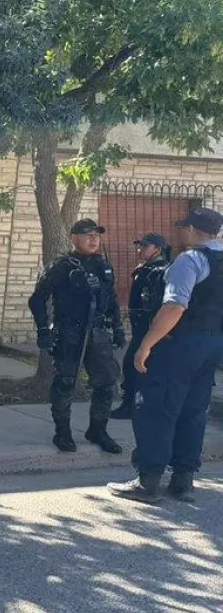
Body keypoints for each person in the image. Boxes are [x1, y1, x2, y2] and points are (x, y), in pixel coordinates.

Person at [111, 208, 223, 504]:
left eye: (182, 227)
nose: (178, 232)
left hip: (179, 344)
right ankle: (183, 481)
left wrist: (146, 344)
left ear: (191, 230)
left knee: (157, 409)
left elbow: (175, 306)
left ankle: (148, 482)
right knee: (193, 411)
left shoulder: (190, 260)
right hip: (212, 346)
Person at [28, 218, 126, 454]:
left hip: (98, 333)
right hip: (70, 332)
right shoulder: (62, 266)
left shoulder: (103, 265)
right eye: (88, 235)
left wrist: (118, 327)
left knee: (106, 383)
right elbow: (37, 300)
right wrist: (43, 329)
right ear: (74, 238)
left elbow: (111, 299)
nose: (93, 239)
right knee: (65, 383)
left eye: (97, 235)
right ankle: (62, 432)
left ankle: (98, 430)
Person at [110, 232, 171, 420]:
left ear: (157, 250)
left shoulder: (159, 271)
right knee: (132, 365)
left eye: (144, 246)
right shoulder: (146, 269)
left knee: (135, 365)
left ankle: (133, 406)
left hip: (148, 326)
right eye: (139, 246)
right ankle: (133, 404)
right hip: (140, 325)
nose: (139, 250)